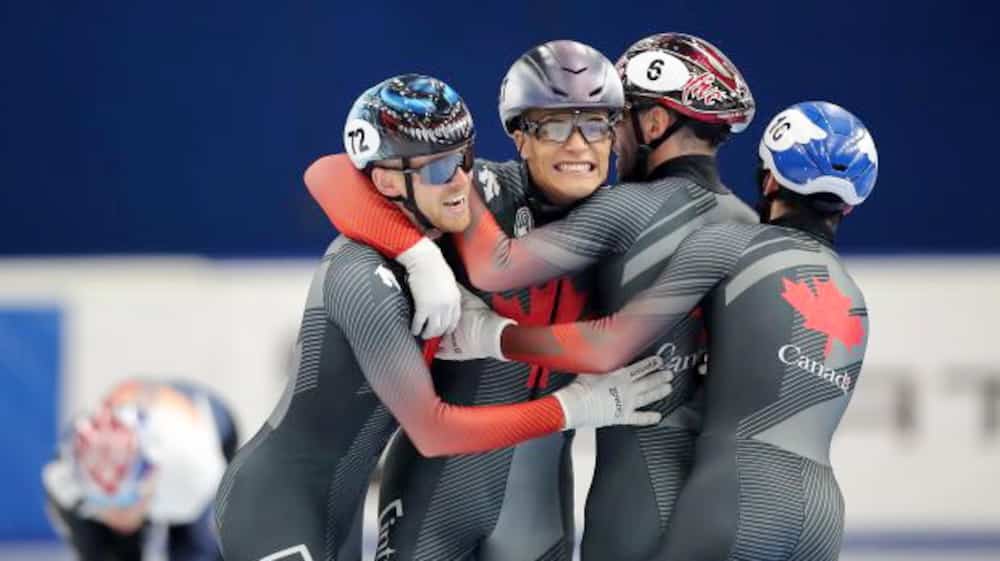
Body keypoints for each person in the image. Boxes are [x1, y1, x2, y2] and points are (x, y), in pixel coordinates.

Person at [307, 33, 758, 561]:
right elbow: (332, 172)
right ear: (519, 137)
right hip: (438, 486)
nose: (577, 146)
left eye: (595, 125)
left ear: (617, 135)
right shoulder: (476, 191)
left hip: (539, 496)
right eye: (554, 125)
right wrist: (417, 252)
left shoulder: (629, 224)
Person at [212, 73, 671, 561]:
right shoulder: (362, 275)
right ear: (388, 181)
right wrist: (575, 408)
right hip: (275, 502)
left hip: (334, 505)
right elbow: (432, 431)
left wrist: (476, 318)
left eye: (463, 159)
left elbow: (334, 174)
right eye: (437, 171)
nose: (460, 183)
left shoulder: (431, 232)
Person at [448, 101, 878, 561]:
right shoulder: (853, 296)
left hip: (734, 493)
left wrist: (489, 336)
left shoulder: (731, 242)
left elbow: (606, 345)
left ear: (770, 179)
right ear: (849, 206)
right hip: (822, 514)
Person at [43, 379, 238, 561]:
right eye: (104, 503)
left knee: (199, 548)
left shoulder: (192, 468)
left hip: (200, 427)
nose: (114, 515)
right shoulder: (63, 478)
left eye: (122, 505)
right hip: (140, 412)